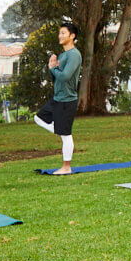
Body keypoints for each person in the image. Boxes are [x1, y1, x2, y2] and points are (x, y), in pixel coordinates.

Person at [35, 23, 82, 175]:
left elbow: (65, 76)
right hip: (57, 98)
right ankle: (60, 129)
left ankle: (66, 167)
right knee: (39, 118)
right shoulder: (62, 56)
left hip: (67, 100)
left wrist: (53, 69)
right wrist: (51, 67)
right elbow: (55, 78)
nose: (60, 36)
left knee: (66, 135)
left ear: (72, 36)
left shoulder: (74, 55)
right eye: (59, 33)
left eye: (63, 33)